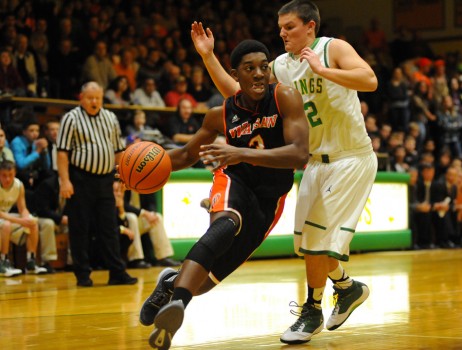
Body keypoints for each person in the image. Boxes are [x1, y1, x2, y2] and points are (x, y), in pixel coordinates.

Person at [190, 0, 378, 344]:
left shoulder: (332, 48)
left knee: (318, 243)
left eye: (289, 27)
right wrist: (208, 57)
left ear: (310, 26)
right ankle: (348, 289)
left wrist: (323, 71)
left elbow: (369, 80)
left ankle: (312, 311)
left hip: (350, 157)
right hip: (313, 162)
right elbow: (239, 94)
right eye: (280, 28)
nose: (282, 33)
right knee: (306, 245)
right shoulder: (280, 66)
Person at [134, 39, 309, 350]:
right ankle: (178, 308)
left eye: (263, 67)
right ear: (235, 75)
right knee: (226, 224)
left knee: (201, 284)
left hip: (270, 200)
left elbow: (299, 154)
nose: (259, 74)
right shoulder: (220, 115)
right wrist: (139, 163)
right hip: (233, 180)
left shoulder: (284, 96)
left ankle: (171, 284)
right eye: (249, 68)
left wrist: (242, 153)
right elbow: (187, 154)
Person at [57, 81, 138, 287]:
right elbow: (62, 153)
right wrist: (65, 181)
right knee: (80, 228)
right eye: (90, 98)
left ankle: (116, 272)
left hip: (105, 179)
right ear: (81, 98)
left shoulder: (110, 117)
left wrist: (121, 178)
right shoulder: (71, 118)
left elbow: (119, 151)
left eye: (98, 98)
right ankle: (83, 274)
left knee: (109, 227)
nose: (94, 102)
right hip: (80, 179)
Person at [0, 160, 47, 275]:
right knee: (6, 225)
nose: (7, 179)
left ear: (15, 173)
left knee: (32, 223)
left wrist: (26, 218)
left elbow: (22, 208)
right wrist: (20, 220)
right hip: (3, 218)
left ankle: (31, 262)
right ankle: (3, 263)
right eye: (4, 176)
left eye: (10, 175)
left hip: (6, 218)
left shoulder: (19, 185)